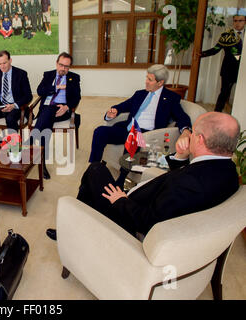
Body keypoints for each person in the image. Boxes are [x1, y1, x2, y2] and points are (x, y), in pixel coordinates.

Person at [46, 112, 240, 241]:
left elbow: (149, 220)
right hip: (142, 202)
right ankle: (80, 222)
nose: (188, 137)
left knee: (95, 170)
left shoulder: (190, 184)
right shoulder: (229, 172)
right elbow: (181, 186)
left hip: (130, 216)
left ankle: (73, 229)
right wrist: (180, 157)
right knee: (95, 175)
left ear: (200, 139)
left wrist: (121, 201)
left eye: (193, 133)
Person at [88, 64, 192, 186]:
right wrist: (113, 112)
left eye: (150, 80)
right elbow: (122, 106)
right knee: (100, 131)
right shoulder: (140, 94)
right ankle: (93, 168)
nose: (146, 82)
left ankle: (121, 180)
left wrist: (186, 131)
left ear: (160, 82)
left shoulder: (170, 98)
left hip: (145, 133)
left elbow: (182, 117)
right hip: (127, 129)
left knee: (133, 137)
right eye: (146, 78)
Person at [30, 52, 81, 179]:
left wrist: (67, 107)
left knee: (48, 113)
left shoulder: (74, 77)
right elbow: (40, 91)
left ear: (69, 67)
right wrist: (55, 87)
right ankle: (42, 164)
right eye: (61, 65)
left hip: (62, 110)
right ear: (56, 63)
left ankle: (30, 141)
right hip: (46, 110)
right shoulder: (48, 75)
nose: (63, 68)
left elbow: (77, 97)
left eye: (66, 66)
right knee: (47, 120)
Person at [201, 14, 245, 113]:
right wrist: (201, 54)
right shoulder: (226, 35)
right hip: (228, 69)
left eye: (240, 21)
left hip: (243, 70)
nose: (237, 23)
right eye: (235, 21)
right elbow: (216, 49)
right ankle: (217, 113)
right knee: (224, 92)